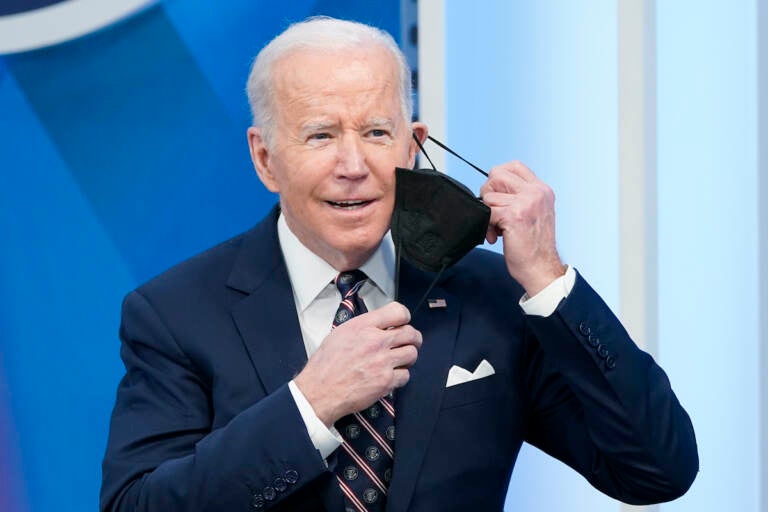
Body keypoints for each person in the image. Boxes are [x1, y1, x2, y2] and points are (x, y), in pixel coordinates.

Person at [100, 16, 698, 512]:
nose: (353, 164)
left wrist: (547, 279)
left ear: (412, 146)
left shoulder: (492, 297)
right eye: (320, 136)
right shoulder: (176, 314)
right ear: (265, 158)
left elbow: (656, 470)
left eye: (377, 132)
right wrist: (309, 405)